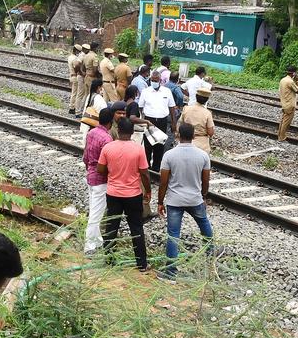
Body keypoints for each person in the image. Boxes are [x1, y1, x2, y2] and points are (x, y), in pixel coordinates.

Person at [158, 122, 214, 280]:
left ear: (178, 135)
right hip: (195, 199)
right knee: (205, 228)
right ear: (194, 136)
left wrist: (160, 202)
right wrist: (203, 196)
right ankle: (211, 260)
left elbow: (163, 182)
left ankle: (170, 273)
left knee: (173, 235)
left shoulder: (169, 155)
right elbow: (206, 181)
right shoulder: (203, 156)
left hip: (175, 201)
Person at [98, 117, 152, 272]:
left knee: (111, 227)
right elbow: (145, 174)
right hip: (133, 194)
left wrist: (113, 172)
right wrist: (147, 191)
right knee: (136, 228)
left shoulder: (108, 148)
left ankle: (108, 260)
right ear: (132, 132)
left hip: (113, 193)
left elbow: (100, 169)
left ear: (118, 130)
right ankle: (142, 264)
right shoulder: (138, 149)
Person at [83, 108, 115, 254]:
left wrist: (88, 168)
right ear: (110, 122)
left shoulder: (91, 133)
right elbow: (108, 163)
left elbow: (86, 155)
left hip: (90, 175)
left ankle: (97, 240)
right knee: (96, 214)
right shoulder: (107, 139)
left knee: (93, 210)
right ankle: (89, 246)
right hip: (101, 180)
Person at [137, 70, 177, 171]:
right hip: (149, 121)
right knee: (148, 145)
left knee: (159, 146)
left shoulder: (166, 91)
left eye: (156, 80)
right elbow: (140, 107)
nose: (154, 82)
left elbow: (172, 107)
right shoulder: (146, 92)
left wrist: (173, 122)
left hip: (162, 121)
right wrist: (142, 119)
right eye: (152, 80)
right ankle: (146, 167)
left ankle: (156, 168)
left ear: (160, 80)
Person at [180, 86, 216, 153]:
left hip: (185, 141)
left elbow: (180, 125)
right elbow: (211, 133)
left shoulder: (186, 109)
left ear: (196, 96)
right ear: (207, 100)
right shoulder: (207, 113)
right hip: (202, 145)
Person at [278, 65, 298, 141]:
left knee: (283, 121)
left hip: (284, 103)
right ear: (294, 73)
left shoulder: (283, 80)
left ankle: (280, 136)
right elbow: (297, 90)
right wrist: (297, 81)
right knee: (286, 123)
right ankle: (282, 138)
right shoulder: (290, 81)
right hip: (290, 104)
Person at [67, 45, 82, 116]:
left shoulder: (70, 57)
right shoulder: (75, 59)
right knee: (76, 93)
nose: (79, 53)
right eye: (78, 51)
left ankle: (71, 106)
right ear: (76, 51)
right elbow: (76, 67)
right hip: (75, 76)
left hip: (71, 75)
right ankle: (72, 107)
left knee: (73, 92)